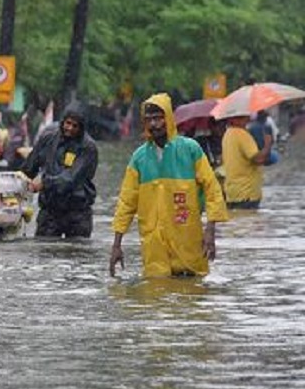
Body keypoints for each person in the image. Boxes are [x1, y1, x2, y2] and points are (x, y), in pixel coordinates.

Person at [110, 93, 228, 278]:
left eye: (158, 118)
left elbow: (212, 189)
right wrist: (116, 245)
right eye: (149, 120)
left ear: (169, 118)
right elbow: (126, 202)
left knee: (193, 292)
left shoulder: (190, 149)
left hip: (187, 238)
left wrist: (210, 231)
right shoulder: (139, 158)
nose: (154, 124)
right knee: (157, 293)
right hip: (154, 244)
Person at [19, 104, 99, 238]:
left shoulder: (88, 148)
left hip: (77, 214)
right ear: (63, 121)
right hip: (49, 212)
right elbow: (28, 169)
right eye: (68, 123)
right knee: (44, 252)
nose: (70, 128)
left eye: (75, 126)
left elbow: (70, 179)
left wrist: (44, 182)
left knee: (76, 254)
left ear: (81, 128)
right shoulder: (48, 139)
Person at [221, 113, 271, 210]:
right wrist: (267, 145)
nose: (248, 119)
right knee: (249, 222)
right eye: (245, 117)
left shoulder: (227, 134)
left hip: (232, 192)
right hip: (247, 193)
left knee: (237, 223)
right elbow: (258, 159)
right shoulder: (242, 134)